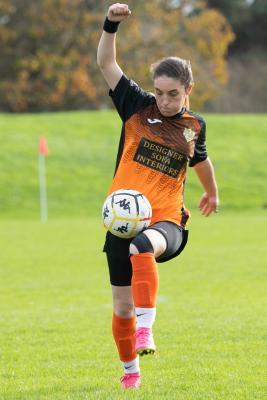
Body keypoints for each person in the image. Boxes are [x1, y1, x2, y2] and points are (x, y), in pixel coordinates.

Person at [97, 3, 219, 390]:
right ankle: (130, 372)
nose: (165, 101)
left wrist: (211, 193)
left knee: (142, 244)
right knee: (120, 307)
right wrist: (110, 25)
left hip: (167, 221)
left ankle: (146, 330)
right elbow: (105, 63)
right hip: (121, 222)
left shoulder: (193, 125)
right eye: (161, 93)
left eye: (173, 94)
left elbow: (200, 160)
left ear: (188, 90)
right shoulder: (137, 107)